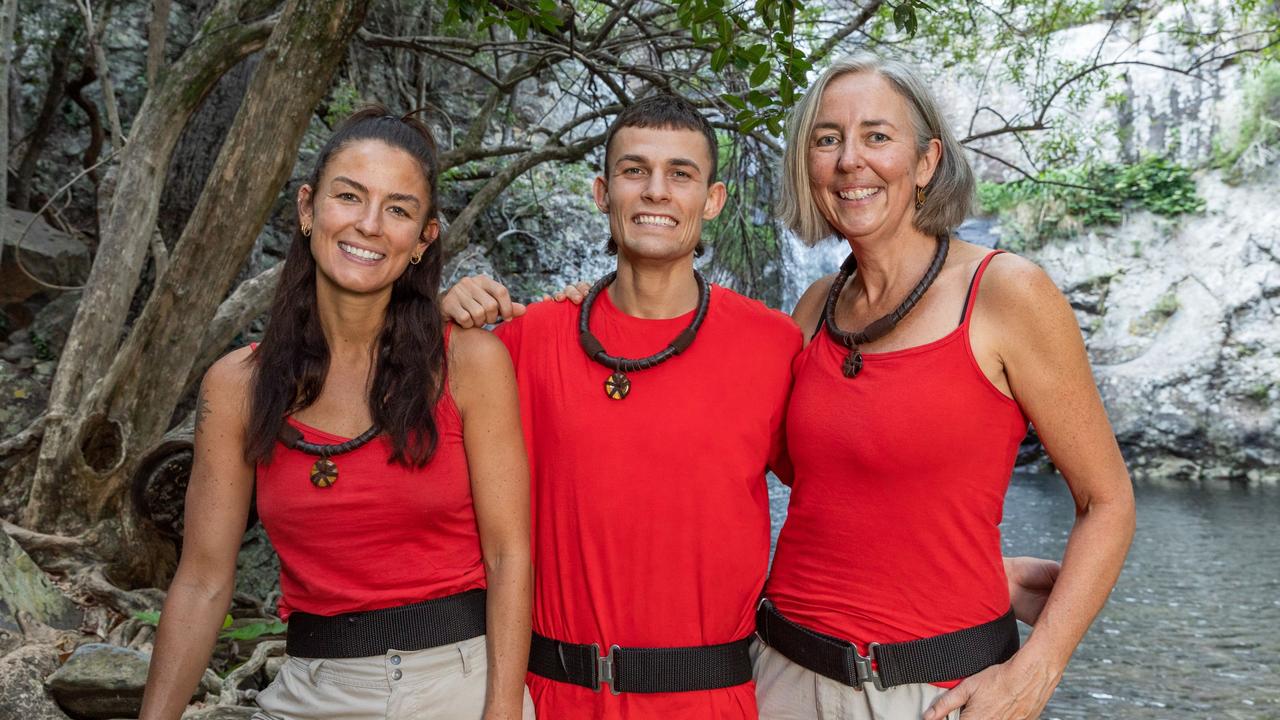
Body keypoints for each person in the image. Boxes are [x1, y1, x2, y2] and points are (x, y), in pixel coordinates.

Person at [440, 94, 1060, 719]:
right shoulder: (520, 342)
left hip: (715, 699)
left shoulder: (774, 344)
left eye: (680, 174)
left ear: (712, 201)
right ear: (603, 193)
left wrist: (970, 573)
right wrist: (439, 310)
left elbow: (851, 474)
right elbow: (393, 441)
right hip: (552, 696)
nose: (656, 192)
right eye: (634, 172)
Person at [752, 53, 1136, 720]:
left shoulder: (1005, 292)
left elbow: (1108, 501)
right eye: (826, 138)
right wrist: (591, 311)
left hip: (936, 692)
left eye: (877, 136)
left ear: (928, 161)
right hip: (780, 674)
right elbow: (801, 474)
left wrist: (1037, 668)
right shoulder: (814, 306)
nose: (849, 160)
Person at [138, 107, 534, 720]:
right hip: (310, 689)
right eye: (349, 197)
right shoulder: (238, 385)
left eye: (399, 209)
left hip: (458, 684)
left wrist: (503, 710)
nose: (369, 225)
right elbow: (202, 580)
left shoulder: (470, 363)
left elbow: (509, 555)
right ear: (307, 209)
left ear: (423, 239)